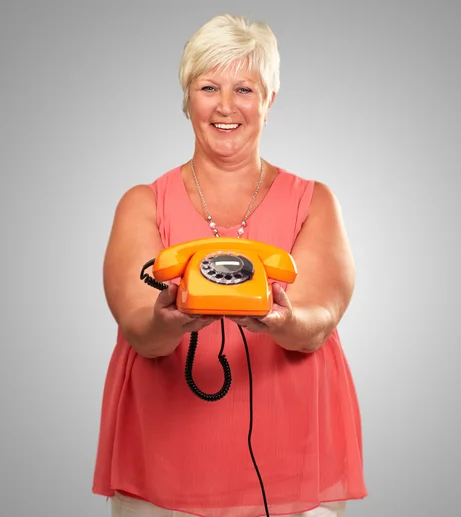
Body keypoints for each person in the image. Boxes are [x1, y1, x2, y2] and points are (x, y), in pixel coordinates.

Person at [92, 13, 367, 517]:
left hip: (291, 467)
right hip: (165, 465)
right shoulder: (142, 204)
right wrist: (165, 317)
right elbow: (140, 331)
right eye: (208, 86)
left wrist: (280, 318)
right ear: (187, 99)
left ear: (269, 101)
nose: (225, 106)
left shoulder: (315, 202)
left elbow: (317, 323)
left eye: (244, 88)